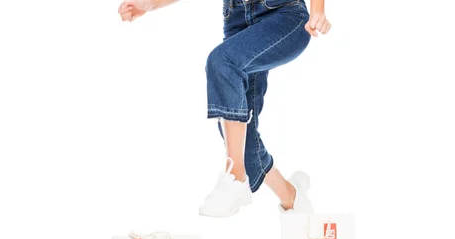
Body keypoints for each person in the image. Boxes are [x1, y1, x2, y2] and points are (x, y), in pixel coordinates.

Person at [118, 0, 331, 217]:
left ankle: (235, 177)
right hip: (237, 19)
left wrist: (318, 10)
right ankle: (293, 198)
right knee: (239, 137)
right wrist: (150, 5)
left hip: (283, 14)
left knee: (222, 62)